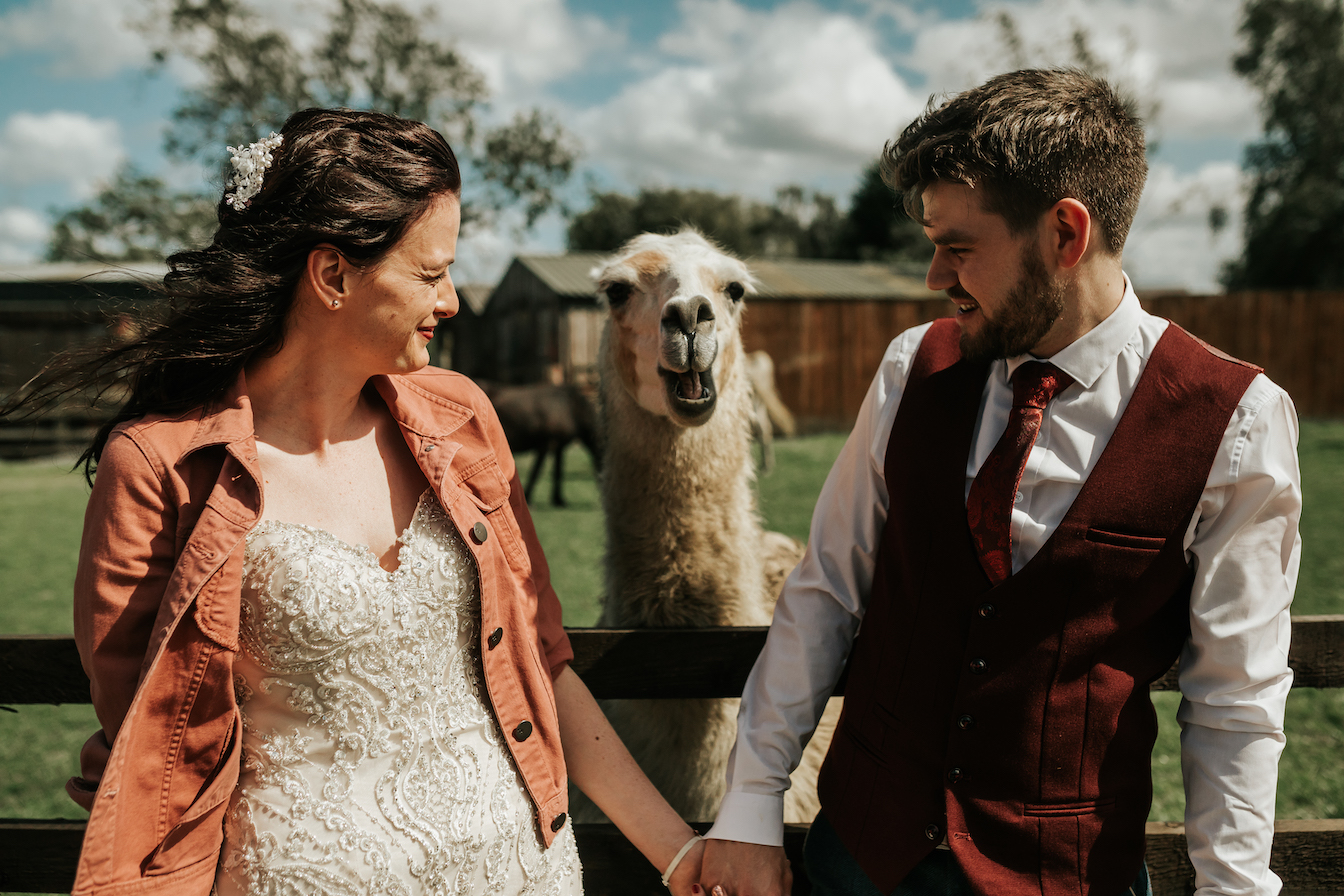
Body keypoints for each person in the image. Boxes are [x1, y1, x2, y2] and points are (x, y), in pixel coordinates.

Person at [8, 109, 706, 895]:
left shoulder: (464, 419)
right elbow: (156, 753)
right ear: (333, 276)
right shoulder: (159, 469)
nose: (451, 303)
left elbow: (542, 662)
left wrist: (680, 854)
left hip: (522, 871)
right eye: (431, 274)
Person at [700, 69, 1300, 896]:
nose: (933, 276)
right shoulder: (914, 368)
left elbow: (1235, 693)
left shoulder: (1235, 420)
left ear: (1065, 233)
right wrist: (752, 803)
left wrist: (1232, 889)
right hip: (861, 861)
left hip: (1067, 880)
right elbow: (826, 592)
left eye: (958, 245)